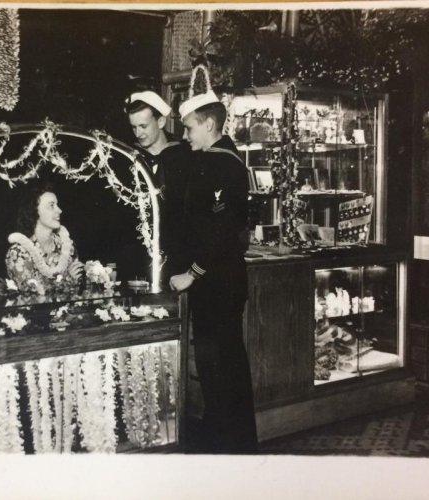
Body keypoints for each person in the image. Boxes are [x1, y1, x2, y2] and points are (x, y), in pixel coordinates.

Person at [169, 90, 258, 454]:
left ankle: (229, 448)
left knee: (220, 367)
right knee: (220, 366)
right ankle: (230, 442)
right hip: (220, 284)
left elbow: (221, 233)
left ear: (209, 124)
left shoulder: (222, 165)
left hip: (217, 284)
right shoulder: (217, 160)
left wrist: (192, 273)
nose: (186, 135)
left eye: (190, 128)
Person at [125, 90, 192, 282]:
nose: (138, 134)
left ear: (161, 122)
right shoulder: (130, 158)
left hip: (178, 262)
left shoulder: (186, 157)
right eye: (134, 127)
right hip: (138, 261)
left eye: (144, 126)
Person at [6, 183, 84, 295]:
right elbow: (30, 295)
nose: (59, 210)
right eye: (51, 205)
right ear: (34, 210)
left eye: (57, 205)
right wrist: (68, 280)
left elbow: (77, 293)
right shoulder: (18, 253)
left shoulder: (68, 246)